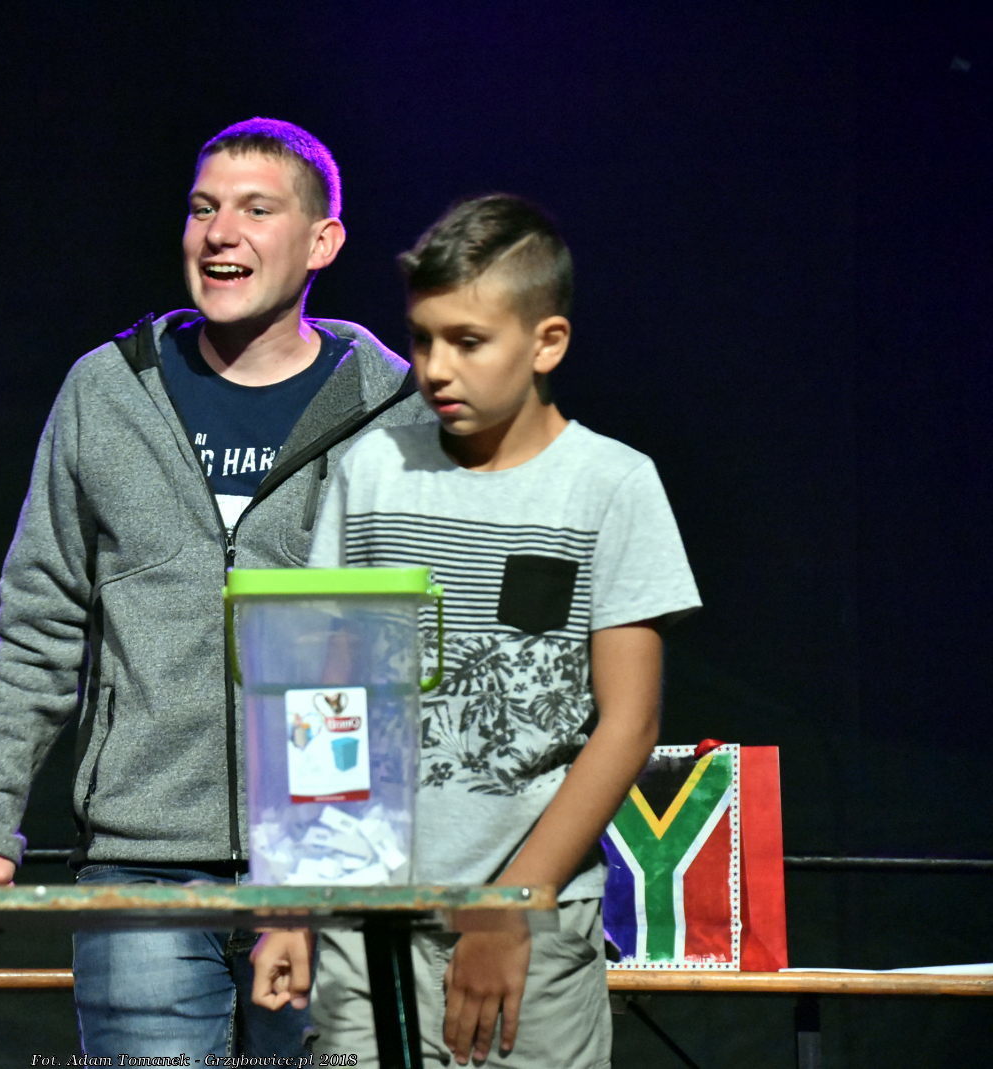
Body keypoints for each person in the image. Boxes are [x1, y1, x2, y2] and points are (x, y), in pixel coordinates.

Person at [0, 117, 427, 1058]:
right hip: (142, 865)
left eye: (256, 210)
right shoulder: (106, 390)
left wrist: (328, 865)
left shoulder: (390, 409)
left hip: (330, 868)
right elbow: (39, 625)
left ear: (323, 240)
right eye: (203, 209)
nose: (220, 233)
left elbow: (400, 660)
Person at [252, 193, 701, 1067]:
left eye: (467, 341)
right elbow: (324, 696)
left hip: (531, 928)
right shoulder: (373, 469)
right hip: (366, 924)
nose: (435, 368)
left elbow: (630, 721)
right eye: (422, 340)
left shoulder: (611, 484)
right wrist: (293, 900)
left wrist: (511, 903)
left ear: (547, 343)